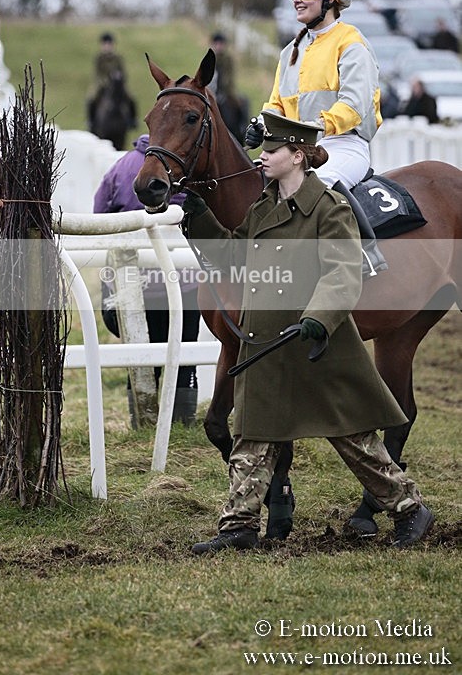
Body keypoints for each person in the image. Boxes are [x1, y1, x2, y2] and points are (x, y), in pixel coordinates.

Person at [181, 112, 434, 554]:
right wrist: (202, 221)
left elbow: (342, 273)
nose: (262, 158)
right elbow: (235, 259)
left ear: (297, 156)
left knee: (356, 440)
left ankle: (410, 509)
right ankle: (238, 526)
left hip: (316, 343)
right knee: (252, 435)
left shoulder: (329, 209)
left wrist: (319, 317)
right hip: (269, 342)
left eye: (272, 151)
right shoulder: (263, 207)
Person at [245, 0, 387, 277]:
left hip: (344, 145)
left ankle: (366, 253)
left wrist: (315, 128)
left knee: (316, 184)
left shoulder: (352, 44)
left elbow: (353, 106)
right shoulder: (289, 51)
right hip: (299, 149)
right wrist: (261, 125)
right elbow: (276, 105)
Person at [93, 133, 201, 426]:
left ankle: (142, 421)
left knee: (141, 358)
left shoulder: (121, 166)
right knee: (184, 353)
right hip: (183, 282)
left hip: (133, 285)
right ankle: (183, 422)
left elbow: (100, 213)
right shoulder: (183, 170)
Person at [87, 32, 136, 133]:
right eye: (105, 44)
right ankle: (91, 121)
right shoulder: (99, 58)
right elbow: (98, 74)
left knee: (131, 98)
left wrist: (119, 78)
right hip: (103, 84)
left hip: (118, 83)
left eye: (109, 44)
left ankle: (132, 120)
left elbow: (123, 72)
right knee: (91, 98)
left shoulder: (117, 58)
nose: (107, 46)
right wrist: (106, 82)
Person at [209, 32, 249, 141]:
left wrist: (224, 91)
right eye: (216, 43)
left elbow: (228, 77)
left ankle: (243, 129)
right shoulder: (210, 58)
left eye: (220, 43)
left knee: (243, 101)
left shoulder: (228, 59)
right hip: (211, 90)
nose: (218, 46)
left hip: (226, 90)